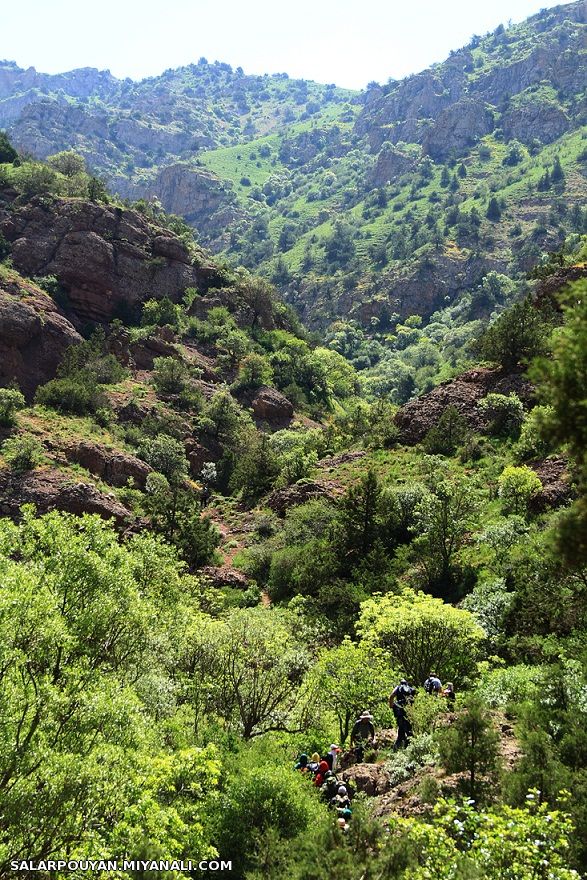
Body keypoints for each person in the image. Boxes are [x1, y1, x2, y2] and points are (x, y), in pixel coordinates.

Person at [389, 679, 415, 750]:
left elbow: (391, 696)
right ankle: (410, 746)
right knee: (409, 729)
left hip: (400, 712)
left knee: (401, 729)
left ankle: (399, 747)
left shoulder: (398, 688)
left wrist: (391, 705)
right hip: (409, 712)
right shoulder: (410, 688)